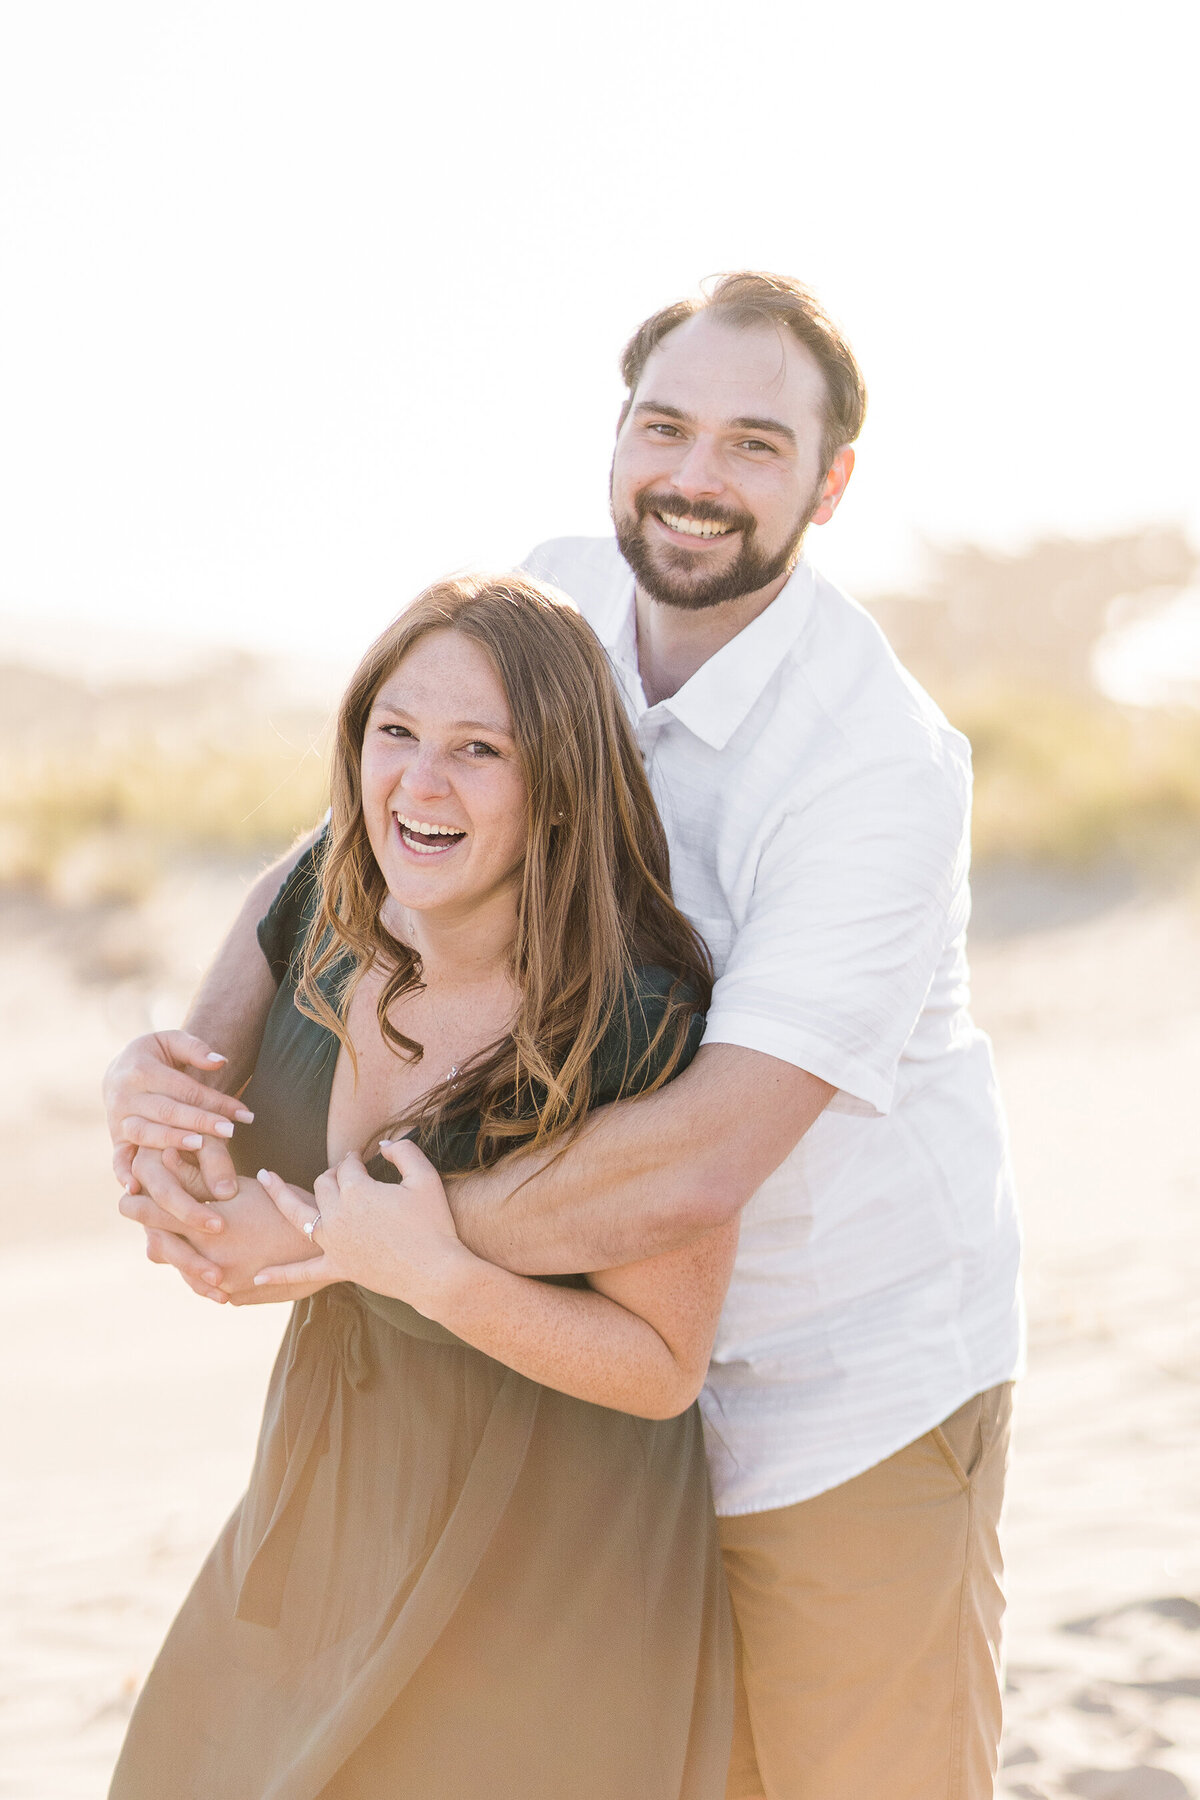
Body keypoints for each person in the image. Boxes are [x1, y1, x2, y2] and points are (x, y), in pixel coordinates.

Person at [108, 272, 1023, 1800]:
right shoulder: (556, 591)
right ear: (618, 435)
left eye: (754, 443)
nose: (695, 478)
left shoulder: (877, 768)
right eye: (666, 426)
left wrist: (348, 1238)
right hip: (573, 1393)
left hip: (832, 1383)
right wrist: (187, 1066)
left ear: (831, 479)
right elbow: (360, 826)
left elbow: (704, 1153)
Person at [107, 574, 738, 1800]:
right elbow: (193, 1116)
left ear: (556, 783)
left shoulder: (634, 1020)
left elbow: (664, 1365)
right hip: (324, 1489)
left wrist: (434, 1271)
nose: (421, 782)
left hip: (544, 1550)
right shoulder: (315, 901)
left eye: (477, 750)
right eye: (394, 733)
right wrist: (145, 1111)